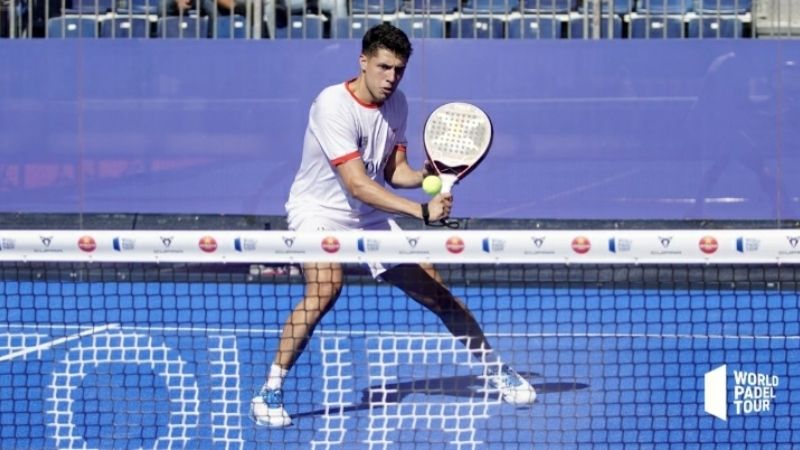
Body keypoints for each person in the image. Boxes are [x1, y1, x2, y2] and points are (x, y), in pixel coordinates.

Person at [250, 23, 537, 428]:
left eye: (398, 70)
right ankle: (269, 391)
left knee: (436, 290)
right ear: (363, 62)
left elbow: (392, 170)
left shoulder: (397, 103)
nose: (391, 78)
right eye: (383, 67)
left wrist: (427, 175)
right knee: (326, 286)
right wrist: (420, 212)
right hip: (318, 212)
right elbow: (357, 183)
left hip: (366, 218)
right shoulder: (331, 105)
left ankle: (496, 371)